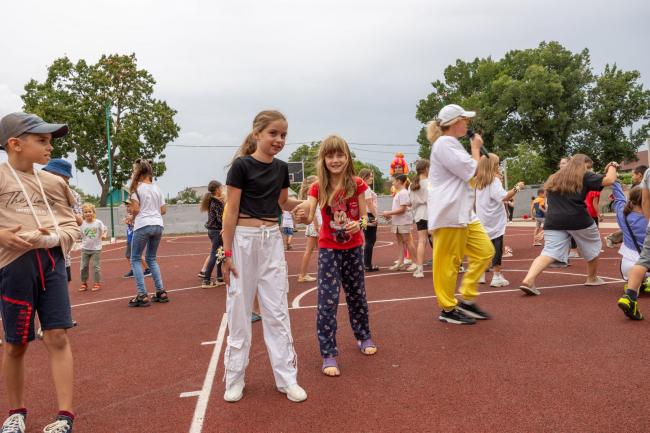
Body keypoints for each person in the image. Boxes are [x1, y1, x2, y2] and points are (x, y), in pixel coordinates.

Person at [221, 110, 309, 403]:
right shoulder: (241, 166)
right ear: (257, 134)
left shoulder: (282, 168)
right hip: (243, 241)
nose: (279, 139)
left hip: (272, 241)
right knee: (239, 310)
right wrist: (226, 254)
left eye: (283, 135)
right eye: (273, 133)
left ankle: (287, 379)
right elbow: (231, 212)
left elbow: (283, 202)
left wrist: (308, 204)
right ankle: (234, 378)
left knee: (277, 310)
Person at [0, 112, 78, 431]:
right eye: (42, 140)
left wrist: (51, 238)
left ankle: (65, 416)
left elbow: (71, 224)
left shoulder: (54, 182)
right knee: (15, 343)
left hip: (52, 263)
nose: (50, 147)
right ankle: (15, 413)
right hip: (14, 266)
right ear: (16, 144)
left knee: (57, 335)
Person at [306, 135, 375, 377]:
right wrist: (298, 213)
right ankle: (328, 353)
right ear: (323, 159)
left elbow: (365, 217)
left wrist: (359, 224)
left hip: (354, 249)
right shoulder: (317, 188)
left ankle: (363, 336)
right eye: (330, 156)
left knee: (357, 295)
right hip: (328, 251)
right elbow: (308, 214)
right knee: (327, 302)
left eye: (340, 155)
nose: (335, 160)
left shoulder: (357, 184)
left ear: (347, 157)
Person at [427, 104, 494, 324]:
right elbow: (472, 170)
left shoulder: (451, 143)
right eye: (465, 119)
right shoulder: (444, 143)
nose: (467, 123)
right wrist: (476, 148)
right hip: (450, 212)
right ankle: (447, 309)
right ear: (456, 122)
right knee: (448, 263)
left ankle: (467, 299)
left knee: (485, 251)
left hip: (462, 212)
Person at [519, 156, 617, 295]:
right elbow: (610, 180)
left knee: (549, 252)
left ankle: (529, 279)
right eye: (588, 167)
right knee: (594, 246)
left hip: (554, 220)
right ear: (581, 165)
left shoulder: (553, 177)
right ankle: (591, 278)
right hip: (578, 218)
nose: (588, 170)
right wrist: (613, 164)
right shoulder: (583, 175)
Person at [475, 153, 525, 288]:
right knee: (497, 245)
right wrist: (517, 187)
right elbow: (504, 196)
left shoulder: (478, 181)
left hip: (482, 217)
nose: (498, 166)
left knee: (484, 246)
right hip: (494, 218)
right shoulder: (494, 181)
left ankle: (481, 274)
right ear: (493, 165)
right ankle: (496, 276)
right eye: (497, 164)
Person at [126, 159, 168, 307]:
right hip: (158, 225)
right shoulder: (157, 189)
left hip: (143, 225)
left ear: (138, 172)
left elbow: (136, 210)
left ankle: (142, 294)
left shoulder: (136, 189)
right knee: (151, 258)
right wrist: (153, 215)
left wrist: (132, 218)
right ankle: (161, 291)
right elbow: (163, 210)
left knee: (135, 258)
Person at [382, 173, 418, 273]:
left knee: (407, 241)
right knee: (400, 242)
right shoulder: (399, 193)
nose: (392, 183)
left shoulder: (403, 193)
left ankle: (415, 263)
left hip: (403, 221)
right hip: (398, 221)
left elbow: (403, 209)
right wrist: (391, 215)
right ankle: (400, 263)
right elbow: (398, 208)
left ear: (398, 181)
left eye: (393, 181)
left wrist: (389, 213)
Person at [610, 182, 646, 282]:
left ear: (630, 199)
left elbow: (619, 197)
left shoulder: (624, 216)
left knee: (631, 276)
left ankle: (635, 280)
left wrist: (614, 180)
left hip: (630, 263)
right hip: (646, 261)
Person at [606, 165, 648, 248]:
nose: (632, 177)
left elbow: (619, 198)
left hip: (631, 251)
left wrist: (612, 170)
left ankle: (611, 238)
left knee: (628, 229)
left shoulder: (624, 215)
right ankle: (612, 238)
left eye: (633, 175)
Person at [199, 181, 225, 288]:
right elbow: (220, 218)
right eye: (221, 188)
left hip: (212, 230)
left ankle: (220, 276)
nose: (222, 191)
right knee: (215, 254)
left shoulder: (211, 201)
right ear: (217, 190)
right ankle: (206, 279)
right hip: (217, 231)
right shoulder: (217, 202)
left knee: (219, 252)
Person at [409, 159, 432, 278]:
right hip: (432, 212)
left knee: (422, 241)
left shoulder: (412, 185)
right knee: (436, 241)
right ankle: (440, 268)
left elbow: (409, 202)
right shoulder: (431, 182)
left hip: (419, 214)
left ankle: (419, 269)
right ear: (427, 169)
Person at [78, 203, 107, 292]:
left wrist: (104, 235)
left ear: (94, 212)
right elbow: (79, 234)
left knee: (95, 266)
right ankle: (84, 283)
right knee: (83, 266)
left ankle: (96, 283)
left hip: (96, 249)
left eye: (90, 211)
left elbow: (105, 230)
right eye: (85, 212)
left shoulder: (98, 222)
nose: (88, 214)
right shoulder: (81, 224)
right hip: (85, 248)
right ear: (83, 214)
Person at [298, 176, 320, 282]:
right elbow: (314, 213)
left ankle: (303, 274)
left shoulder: (309, 196)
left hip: (313, 226)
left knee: (318, 250)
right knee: (315, 250)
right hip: (316, 226)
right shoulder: (312, 196)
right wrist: (318, 228)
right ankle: (302, 274)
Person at [122, 199, 150, 278]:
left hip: (135, 237)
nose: (127, 208)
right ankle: (133, 270)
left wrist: (128, 222)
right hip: (129, 238)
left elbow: (138, 227)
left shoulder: (136, 216)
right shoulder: (129, 215)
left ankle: (148, 269)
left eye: (129, 206)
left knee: (138, 255)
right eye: (126, 206)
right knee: (128, 255)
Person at [359, 169, 380, 272]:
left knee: (370, 239)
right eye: (370, 176)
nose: (372, 178)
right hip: (369, 214)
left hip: (364, 214)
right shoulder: (366, 188)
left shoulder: (360, 187)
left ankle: (365, 263)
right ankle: (367, 264)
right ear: (365, 177)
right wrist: (376, 216)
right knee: (369, 240)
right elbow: (369, 203)